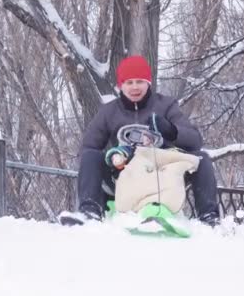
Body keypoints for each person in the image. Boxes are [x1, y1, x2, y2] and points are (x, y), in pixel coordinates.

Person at [63, 55, 219, 227]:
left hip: (162, 174)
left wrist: (171, 131)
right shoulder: (109, 112)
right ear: (120, 85)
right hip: (122, 176)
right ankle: (90, 212)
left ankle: (209, 217)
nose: (135, 87)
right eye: (129, 82)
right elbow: (88, 146)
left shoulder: (165, 106)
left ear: (148, 83)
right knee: (90, 156)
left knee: (201, 158)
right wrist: (114, 159)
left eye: (140, 81)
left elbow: (195, 141)